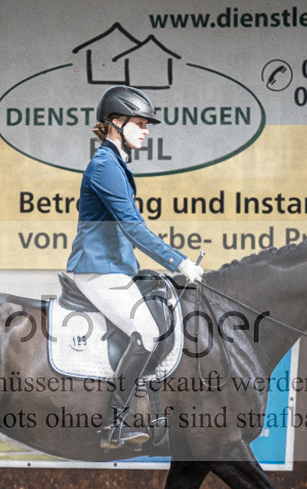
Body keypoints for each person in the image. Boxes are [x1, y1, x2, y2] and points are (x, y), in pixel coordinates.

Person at [66, 85, 204, 450]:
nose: (145, 131)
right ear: (115, 122)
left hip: (115, 268)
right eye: (139, 123)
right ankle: (114, 423)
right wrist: (179, 261)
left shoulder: (116, 165)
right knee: (146, 332)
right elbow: (133, 228)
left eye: (146, 125)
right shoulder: (104, 166)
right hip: (97, 269)